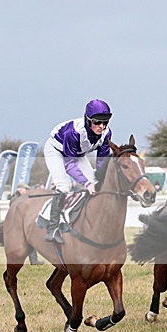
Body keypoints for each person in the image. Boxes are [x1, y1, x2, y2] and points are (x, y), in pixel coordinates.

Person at [43, 99, 113, 243]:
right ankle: (53, 228)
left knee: (96, 184)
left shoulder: (106, 133)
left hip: (78, 154)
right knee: (64, 185)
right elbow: (70, 165)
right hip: (56, 150)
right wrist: (86, 184)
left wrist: (97, 181)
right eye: (97, 122)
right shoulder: (73, 132)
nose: (102, 126)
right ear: (88, 120)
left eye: (105, 122)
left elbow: (102, 161)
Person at [10, 183, 43, 264]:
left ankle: (34, 260)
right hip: (18, 225)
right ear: (20, 189)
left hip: (22, 224)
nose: (27, 191)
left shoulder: (21, 198)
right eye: (26, 189)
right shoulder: (15, 199)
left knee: (30, 242)